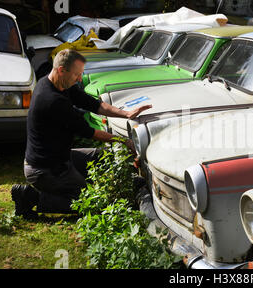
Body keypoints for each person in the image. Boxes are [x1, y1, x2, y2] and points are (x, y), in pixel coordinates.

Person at [11, 49, 151, 219]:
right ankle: (31, 198)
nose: (79, 79)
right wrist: (123, 140)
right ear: (61, 70)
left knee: (102, 156)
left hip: (61, 157)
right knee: (92, 203)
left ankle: (107, 185)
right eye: (77, 75)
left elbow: (93, 104)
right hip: (45, 169)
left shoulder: (60, 84)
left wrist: (126, 114)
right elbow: (89, 132)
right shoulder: (53, 100)